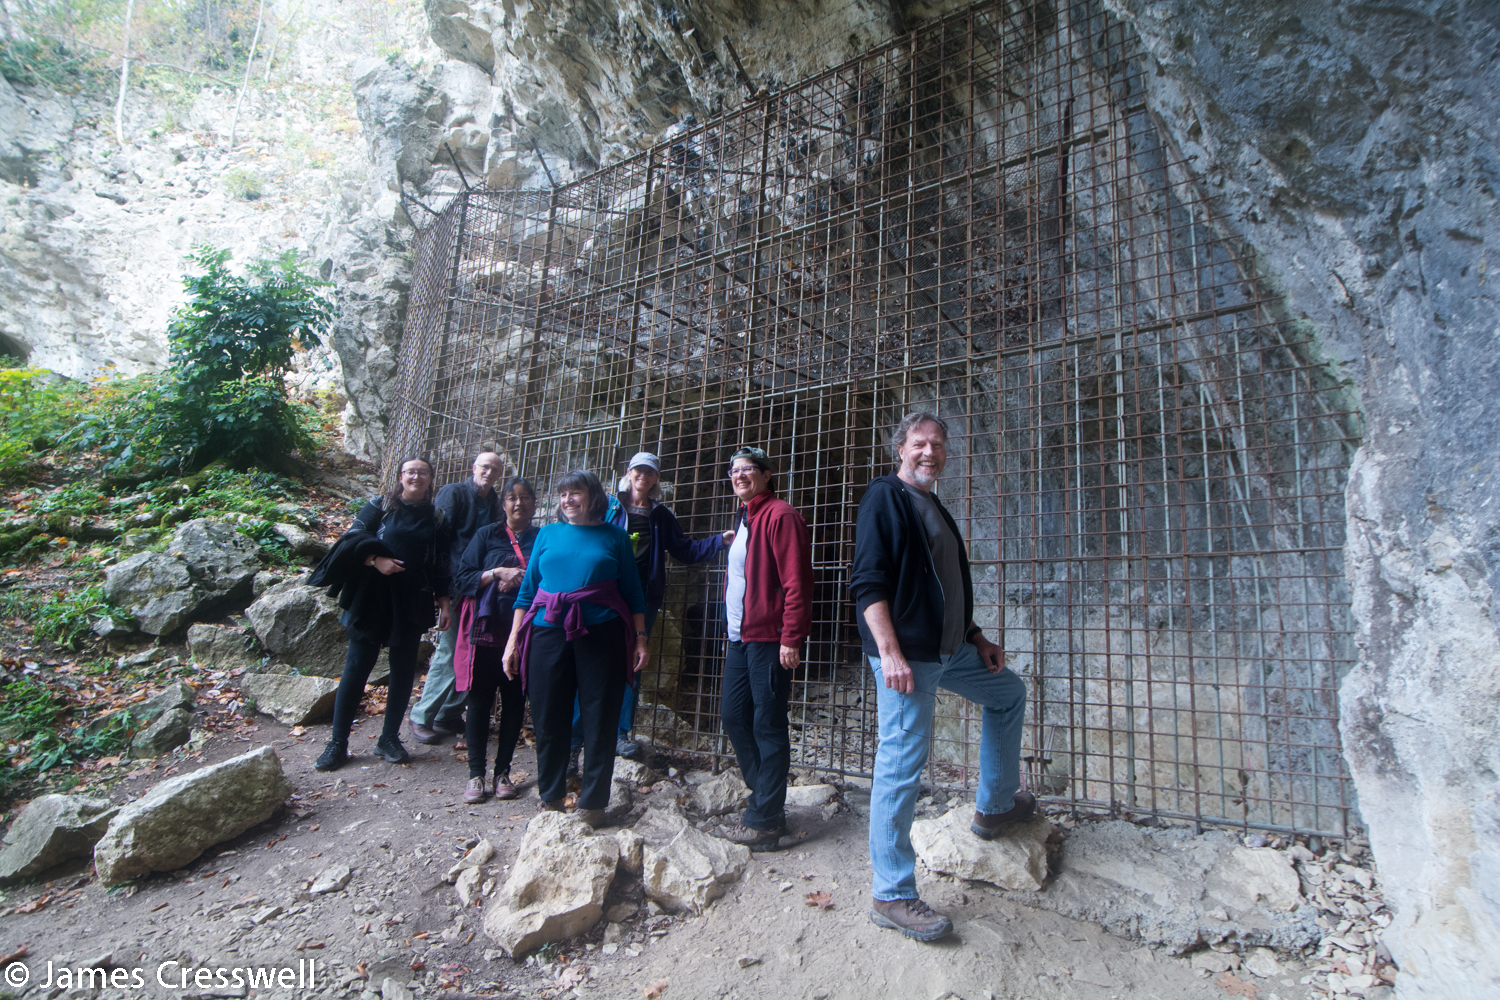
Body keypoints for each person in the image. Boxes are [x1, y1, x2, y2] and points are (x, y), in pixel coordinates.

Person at [848, 412, 1031, 942]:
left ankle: (995, 807)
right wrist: (891, 653)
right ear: (900, 449)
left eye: (938, 444)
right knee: (901, 763)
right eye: (919, 443)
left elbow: (942, 588)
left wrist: (977, 636)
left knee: (1008, 693)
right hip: (909, 656)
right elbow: (868, 582)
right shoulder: (885, 497)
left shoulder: (932, 504)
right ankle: (891, 893)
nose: (930, 451)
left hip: (950, 650)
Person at [501, 471, 650, 827]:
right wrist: (513, 641)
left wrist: (641, 639)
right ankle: (550, 796)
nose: (568, 500)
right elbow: (527, 592)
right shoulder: (547, 534)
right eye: (563, 494)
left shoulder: (615, 536)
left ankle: (593, 803)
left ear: (593, 496)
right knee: (548, 715)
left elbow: (633, 592)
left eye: (576, 493)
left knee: (600, 716)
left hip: (601, 633)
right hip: (546, 631)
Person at [588, 452, 733, 759]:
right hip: (602, 591)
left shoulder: (660, 515)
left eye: (649, 472)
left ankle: (619, 734)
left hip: (641, 596)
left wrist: (719, 541)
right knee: (591, 657)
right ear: (629, 472)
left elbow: (684, 549)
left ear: (656, 479)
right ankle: (581, 734)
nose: (643, 475)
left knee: (632, 660)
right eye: (638, 470)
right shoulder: (608, 506)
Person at [311, 456, 453, 772]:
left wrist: (444, 602)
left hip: (412, 599)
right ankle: (337, 743)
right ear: (400, 476)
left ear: (431, 478)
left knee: (403, 671)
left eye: (423, 472)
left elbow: (441, 562)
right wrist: (375, 560)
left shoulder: (437, 517)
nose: (416, 477)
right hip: (372, 598)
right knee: (356, 668)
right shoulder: (380, 505)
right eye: (410, 471)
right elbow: (351, 539)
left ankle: (389, 739)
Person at [712, 446, 812, 852]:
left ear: (766, 475)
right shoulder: (746, 518)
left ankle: (764, 821)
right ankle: (767, 803)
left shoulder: (780, 516)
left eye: (748, 469)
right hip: (741, 638)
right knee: (734, 716)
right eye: (733, 471)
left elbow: (797, 582)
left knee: (767, 724)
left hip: (770, 638)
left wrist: (791, 636)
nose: (739, 475)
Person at [410, 451, 506, 744]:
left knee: (471, 649)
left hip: (481, 586)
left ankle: (449, 713)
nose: (489, 472)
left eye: (495, 469)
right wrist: (440, 588)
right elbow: (438, 540)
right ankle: (421, 715)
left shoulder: (495, 502)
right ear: (474, 467)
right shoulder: (454, 493)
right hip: (455, 584)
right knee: (451, 649)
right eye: (485, 467)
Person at [452, 477, 538, 803]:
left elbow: (549, 578)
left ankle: (503, 772)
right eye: (512, 498)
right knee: (479, 700)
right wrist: (497, 573)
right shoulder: (487, 535)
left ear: (534, 503)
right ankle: (475, 774)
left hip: (524, 632)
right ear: (503, 504)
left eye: (525, 497)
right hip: (486, 631)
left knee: (514, 701)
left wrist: (520, 579)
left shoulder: (542, 538)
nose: (519, 503)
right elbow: (462, 578)